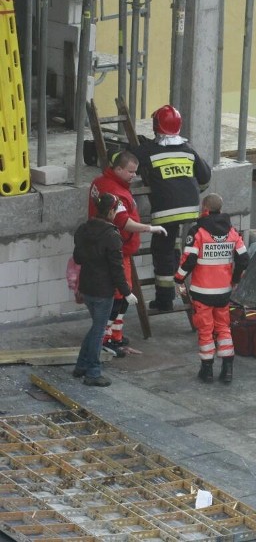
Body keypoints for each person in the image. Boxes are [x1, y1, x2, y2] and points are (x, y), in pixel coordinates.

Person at [132, 105, 212, 312]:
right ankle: (177, 277)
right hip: (190, 208)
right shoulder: (188, 149)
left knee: (162, 251)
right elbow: (205, 178)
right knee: (172, 243)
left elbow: (123, 160)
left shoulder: (149, 150)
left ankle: (164, 299)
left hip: (166, 210)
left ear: (156, 126)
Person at [88, 150, 167, 355]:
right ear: (119, 169)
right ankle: (107, 339)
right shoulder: (114, 191)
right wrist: (150, 228)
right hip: (115, 250)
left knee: (122, 296)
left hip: (116, 249)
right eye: (131, 171)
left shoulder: (101, 182)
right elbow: (123, 221)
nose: (134, 175)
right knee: (118, 296)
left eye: (136, 172)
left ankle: (114, 336)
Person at [174, 193, 249, 384]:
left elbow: (189, 260)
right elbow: (243, 258)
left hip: (202, 292)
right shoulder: (232, 231)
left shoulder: (197, 231)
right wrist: (234, 279)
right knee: (224, 328)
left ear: (204, 209)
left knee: (205, 330)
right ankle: (227, 370)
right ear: (221, 210)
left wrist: (179, 278)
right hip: (223, 291)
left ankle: (207, 371)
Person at [73, 193, 139, 387]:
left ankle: (81, 365)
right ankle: (92, 372)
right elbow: (117, 269)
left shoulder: (83, 229)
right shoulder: (112, 236)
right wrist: (126, 292)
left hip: (87, 288)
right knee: (98, 330)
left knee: (96, 327)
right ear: (111, 211)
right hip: (103, 292)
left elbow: (77, 258)